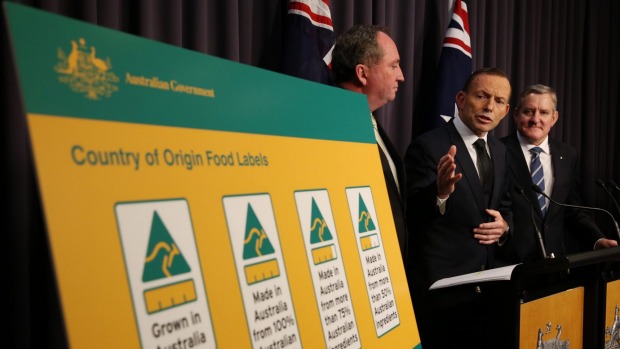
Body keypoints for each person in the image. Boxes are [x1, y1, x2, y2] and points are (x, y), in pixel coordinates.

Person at [403, 67, 513, 348]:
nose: (489, 106)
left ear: (506, 109)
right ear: (461, 99)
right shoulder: (428, 145)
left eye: (499, 101)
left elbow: (506, 204)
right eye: (482, 96)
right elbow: (410, 213)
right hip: (443, 293)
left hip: (489, 289)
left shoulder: (501, 151)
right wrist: (439, 192)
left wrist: (504, 226)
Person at [498, 84, 617, 264]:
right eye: (528, 111)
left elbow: (572, 209)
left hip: (554, 265)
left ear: (554, 118)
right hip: (509, 265)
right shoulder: (497, 151)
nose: (535, 119)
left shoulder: (568, 155)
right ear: (515, 114)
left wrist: (597, 239)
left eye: (544, 113)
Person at [331, 24, 408, 261]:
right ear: (362, 73)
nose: (401, 76)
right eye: (393, 66)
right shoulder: (330, 130)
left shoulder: (371, 123)